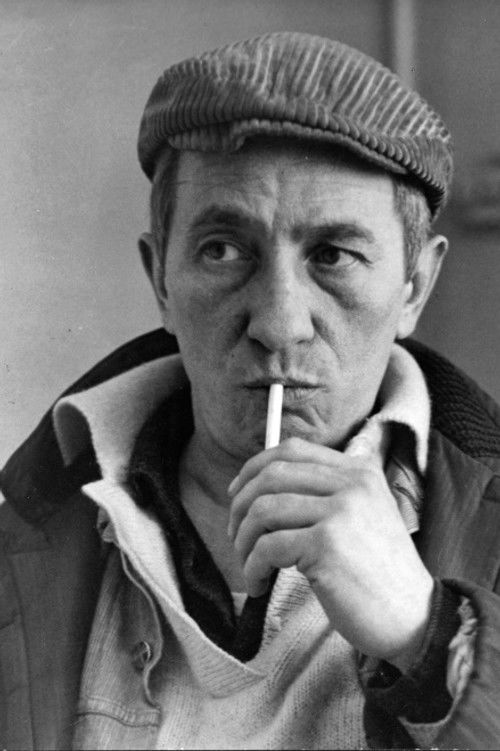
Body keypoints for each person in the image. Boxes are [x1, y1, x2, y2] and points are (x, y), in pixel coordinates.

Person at [1, 31, 499, 750]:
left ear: (415, 286)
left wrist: (431, 640)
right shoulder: (23, 545)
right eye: (224, 250)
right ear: (160, 279)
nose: (278, 323)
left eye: (333, 255)